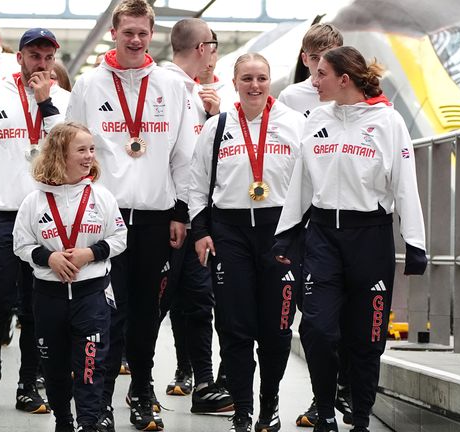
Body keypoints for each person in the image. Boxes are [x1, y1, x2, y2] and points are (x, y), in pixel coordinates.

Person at [273, 46, 428, 432]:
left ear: (344, 79)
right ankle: (324, 410)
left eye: (321, 73)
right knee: (316, 329)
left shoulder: (388, 123)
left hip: (370, 239)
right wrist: (286, 232)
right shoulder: (316, 119)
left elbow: (405, 185)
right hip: (323, 236)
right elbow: (302, 180)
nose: (314, 80)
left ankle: (360, 420)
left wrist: (415, 242)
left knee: (367, 339)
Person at [66, 1, 197, 430]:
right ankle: (100, 399)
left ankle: (142, 389)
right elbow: (71, 151)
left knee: (147, 311)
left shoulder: (171, 86)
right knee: (107, 312)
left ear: (152, 33)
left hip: (158, 218)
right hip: (105, 219)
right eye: (128, 33)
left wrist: (181, 210)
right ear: (113, 33)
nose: (136, 41)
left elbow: (184, 155)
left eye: (143, 33)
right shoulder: (88, 86)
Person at [0, 27, 70, 414]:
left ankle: (28, 382)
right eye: (34, 56)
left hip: (48, 214)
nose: (41, 64)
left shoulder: (65, 101)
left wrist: (46, 102)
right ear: (18, 57)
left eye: (47, 57)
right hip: (1, 215)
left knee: (37, 302)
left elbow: (67, 151)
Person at [189, 53, 305, 432]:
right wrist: (201, 230)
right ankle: (241, 407)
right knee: (235, 326)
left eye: (261, 78)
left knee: (276, 327)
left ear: (271, 81)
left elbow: (309, 184)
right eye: (247, 79)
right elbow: (197, 183)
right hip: (230, 233)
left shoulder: (292, 124)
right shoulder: (217, 127)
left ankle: (269, 404)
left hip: (279, 233)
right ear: (234, 82)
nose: (254, 86)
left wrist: (303, 235)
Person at [13, 122, 128, 432]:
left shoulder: (100, 196)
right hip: (48, 298)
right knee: (55, 368)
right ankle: (64, 422)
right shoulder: (34, 201)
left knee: (90, 368)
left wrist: (88, 254)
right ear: (60, 154)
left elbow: (120, 237)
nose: (90, 155)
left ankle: (88, 424)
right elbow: (20, 244)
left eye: (92, 149)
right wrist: (49, 258)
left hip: (91, 297)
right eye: (81, 149)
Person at [276, 23, 352, 428]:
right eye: (317, 59)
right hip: (304, 217)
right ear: (305, 60)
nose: (322, 66)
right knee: (313, 312)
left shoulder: (355, 98)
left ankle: (334, 391)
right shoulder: (291, 97)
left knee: (338, 314)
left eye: (332, 57)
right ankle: (321, 394)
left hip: (340, 219)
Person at [158, 17, 234, 415]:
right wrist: (177, 212)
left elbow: (195, 157)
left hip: (193, 215)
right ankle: (140, 385)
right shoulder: (168, 86)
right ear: (204, 47)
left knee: (199, 300)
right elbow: (166, 155)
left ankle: (203, 382)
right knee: (156, 303)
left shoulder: (192, 93)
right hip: (168, 218)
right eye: (214, 45)